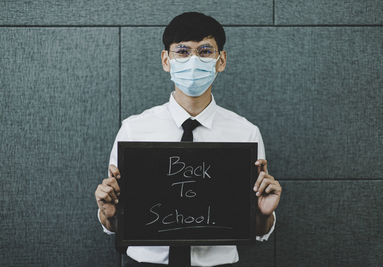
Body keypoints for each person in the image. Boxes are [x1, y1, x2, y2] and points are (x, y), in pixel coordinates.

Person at [95, 12, 282, 267]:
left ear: (221, 60)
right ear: (166, 60)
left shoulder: (245, 134)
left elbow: (258, 229)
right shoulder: (134, 130)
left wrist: (264, 214)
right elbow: (117, 223)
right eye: (182, 51)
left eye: (205, 51)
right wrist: (109, 214)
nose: (194, 60)